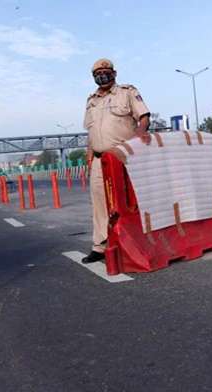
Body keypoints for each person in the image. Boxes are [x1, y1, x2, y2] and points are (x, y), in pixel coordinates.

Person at [82, 58, 151, 264]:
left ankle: (137, 243)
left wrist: (140, 134)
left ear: (114, 73)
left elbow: (144, 117)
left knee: (129, 202)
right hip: (98, 159)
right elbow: (91, 130)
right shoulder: (91, 100)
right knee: (100, 204)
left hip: (123, 156)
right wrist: (89, 153)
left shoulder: (127, 92)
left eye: (106, 71)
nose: (102, 75)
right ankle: (100, 247)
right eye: (98, 73)